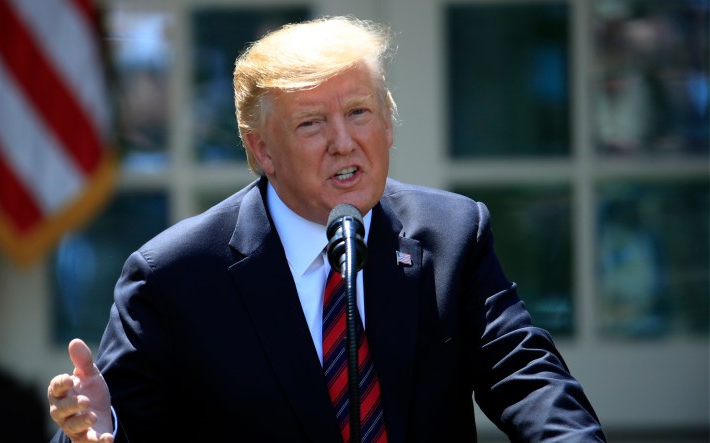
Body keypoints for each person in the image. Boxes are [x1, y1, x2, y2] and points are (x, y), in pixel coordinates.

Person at [47, 15, 606, 442]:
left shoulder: (453, 234)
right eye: (312, 123)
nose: (344, 141)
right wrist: (104, 429)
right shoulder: (174, 277)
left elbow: (531, 379)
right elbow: (105, 426)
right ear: (262, 149)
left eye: (359, 113)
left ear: (387, 122)